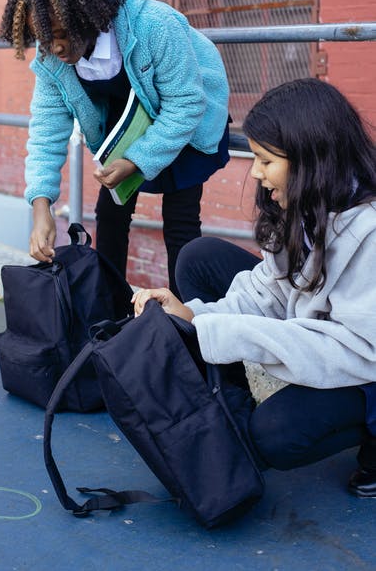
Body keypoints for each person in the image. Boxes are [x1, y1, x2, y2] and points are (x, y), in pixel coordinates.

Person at [133, 77, 376, 497]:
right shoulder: (306, 202)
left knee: (276, 437)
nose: (257, 174)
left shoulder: (369, 231)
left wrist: (228, 335)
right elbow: (268, 289)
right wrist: (193, 316)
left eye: (266, 160)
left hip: (366, 363)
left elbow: (358, 351)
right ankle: (228, 410)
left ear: (310, 158)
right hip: (320, 334)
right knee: (199, 256)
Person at [0, 0, 230, 296]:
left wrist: (136, 160)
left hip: (186, 117)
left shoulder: (154, 25)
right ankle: (111, 309)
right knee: (109, 213)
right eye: (45, 38)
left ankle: (186, 319)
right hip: (127, 121)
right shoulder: (52, 60)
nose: (55, 47)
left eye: (63, 34)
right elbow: (46, 132)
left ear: (86, 17)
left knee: (180, 220)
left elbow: (186, 103)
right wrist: (41, 207)